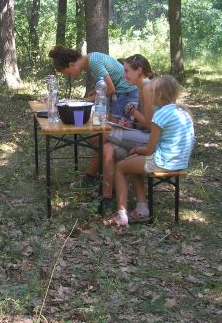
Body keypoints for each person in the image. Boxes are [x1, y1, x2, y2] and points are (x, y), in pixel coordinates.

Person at [104, 75, 195, 226]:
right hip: (179, 162)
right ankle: (141, 210)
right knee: (131, 163)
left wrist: (138, 150)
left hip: (163, 162)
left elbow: (149, 149)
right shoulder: (182, 112)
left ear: (158, 94)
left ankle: (121, 215)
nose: (148, 94)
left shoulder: (160, 114)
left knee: (121, 166)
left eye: (150, 91)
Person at [48, 45, 138, 197]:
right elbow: (105, 86)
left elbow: (110, 90)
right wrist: (94, 93)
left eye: (68, 73)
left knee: (102, 139)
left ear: (71, 64)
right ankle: (98, 178)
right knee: (100, 140)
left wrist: (84, 100)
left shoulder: (94, 62)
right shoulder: (92, 58)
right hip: (122, 96)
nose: (70, 76)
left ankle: (97, 180)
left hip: (126, 96)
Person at [101, 54, 156, 204]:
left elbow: (151, 125)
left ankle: (94, 179)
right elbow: (143, 121)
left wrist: (133, 112)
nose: (124, 75)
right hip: (144, 135)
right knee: (107, 147)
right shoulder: (140, 87)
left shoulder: (147, 88)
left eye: (126, 71)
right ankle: (107, 194)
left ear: (138, 70)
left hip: (153, 141)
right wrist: (129, 122)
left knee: (105, 133)